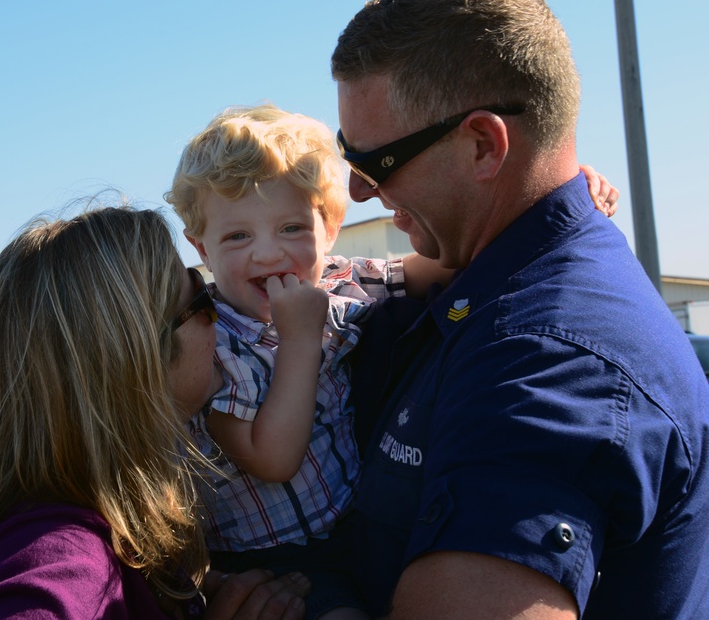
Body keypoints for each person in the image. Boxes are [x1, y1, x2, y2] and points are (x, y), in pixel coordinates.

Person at [331, 0, 709, 620]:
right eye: (347, 155)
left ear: (483, 145)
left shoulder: (546, 359)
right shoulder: (483, 286)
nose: (357, 191)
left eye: (376, 163)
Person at [165, 105, 617, 620]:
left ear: (330, 228)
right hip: (272, 557)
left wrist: (550, 200)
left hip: (355, 521)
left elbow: (452, 263)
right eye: (237, 236)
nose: (268, 255)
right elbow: (271, 459)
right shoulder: (218, 343)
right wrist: (299, 342)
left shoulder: (342, 280)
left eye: (291, 228)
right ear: (201, 246)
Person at [0, 205, 312, 620]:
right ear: (137, 359)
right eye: (203, 298)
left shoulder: (32, 532)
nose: (221, 320)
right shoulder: (57, 577)